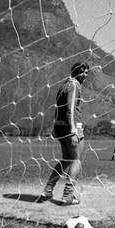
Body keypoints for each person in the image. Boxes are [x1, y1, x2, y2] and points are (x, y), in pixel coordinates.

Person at [38, 62, 90, 205]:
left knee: (66, 159)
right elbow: (70, 109)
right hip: (71, 127)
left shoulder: (63, 85)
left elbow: (57, 108)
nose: (85, 75)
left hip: (60, 127)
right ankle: (68, 195)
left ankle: (47, 191)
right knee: (76, 160)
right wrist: (74, 131)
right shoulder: (74, 85)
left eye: (87, 72)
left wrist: (55, 126)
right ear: (75, 71)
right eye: (82, 71)